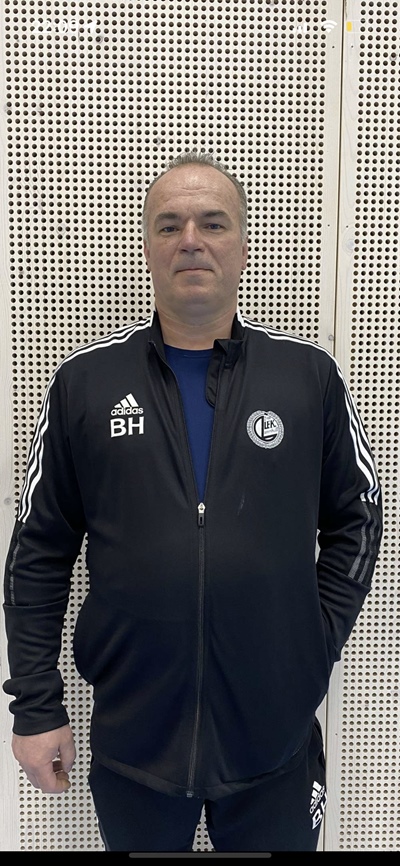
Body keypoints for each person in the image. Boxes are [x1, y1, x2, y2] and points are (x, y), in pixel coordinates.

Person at [3, 150, 383, 853]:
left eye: (213, 222)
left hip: (275, 746)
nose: (190, 240)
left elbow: (358, 519)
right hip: (135, 748)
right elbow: (38, 552)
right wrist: (35, 705)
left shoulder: (308, 378)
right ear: (148, 247)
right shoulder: (86, 383)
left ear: (243, 245)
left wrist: (312, 641)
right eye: (169, 224)